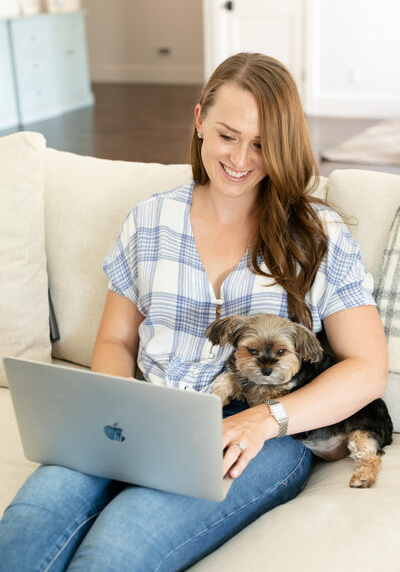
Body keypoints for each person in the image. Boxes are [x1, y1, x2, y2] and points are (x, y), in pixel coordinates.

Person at [0, 53, 388, 572]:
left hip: (265, 431)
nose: (242, 159)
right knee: (26, 531)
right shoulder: (150, 219)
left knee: (113, 553)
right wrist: (111, 414)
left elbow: (368, 367)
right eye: (228, 135)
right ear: (200, 120)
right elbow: (116, 341)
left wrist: (264, 420)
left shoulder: (316, 236)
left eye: (262, 143)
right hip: (147, 413)